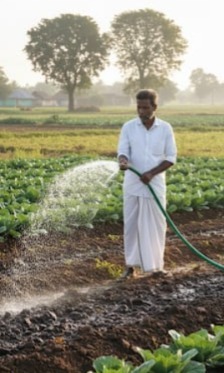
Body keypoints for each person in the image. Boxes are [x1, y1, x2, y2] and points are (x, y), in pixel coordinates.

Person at [117, 89, 177, 278]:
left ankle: (155, 267)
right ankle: (130, 267)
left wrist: (151, 173)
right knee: (132, 226)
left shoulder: (165, 128)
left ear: (154, 107)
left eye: (145, 107)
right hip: (133, 185)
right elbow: (123, 150)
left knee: (156, 225)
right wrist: (123, 160)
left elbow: (171, 157)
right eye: (139, 107)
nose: (141, 111)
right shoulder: (129, 127)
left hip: (155, 185)